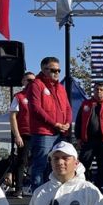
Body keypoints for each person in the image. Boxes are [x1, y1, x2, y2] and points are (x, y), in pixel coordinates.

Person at [28, 57, 72, 191]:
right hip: (43, 133)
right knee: (40, 166)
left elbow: (68, 108)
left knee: (55, 166)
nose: (57, 73)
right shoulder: (36, 84)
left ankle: (51, 194)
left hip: (60, 133)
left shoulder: (60, 87)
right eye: (53, 70)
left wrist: (67, 123)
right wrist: (55, 123)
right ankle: (37, 196)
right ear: (43, 69)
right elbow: (36, 108)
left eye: (59, 70)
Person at [75, 82, 103, 190]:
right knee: (83, 165)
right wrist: (78, 138)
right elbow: (78, 122)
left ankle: (99, 187)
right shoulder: (86, 104)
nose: (98, 92)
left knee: (102, 167)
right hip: (88, 141)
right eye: (96, 89)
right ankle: (83, 186)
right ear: (93, 91)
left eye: (101, 90)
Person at [8, 71, 36, 197]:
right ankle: (18, 189)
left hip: (39, 134)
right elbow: (12, 117)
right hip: (24, 134)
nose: (30, 82)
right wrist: (17, 135)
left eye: (32, 80)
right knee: (22, 161)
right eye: (28, 80)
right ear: (23, 82)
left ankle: (39, 187)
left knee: (41, 161)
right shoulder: (19, 97)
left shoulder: (40, 96)